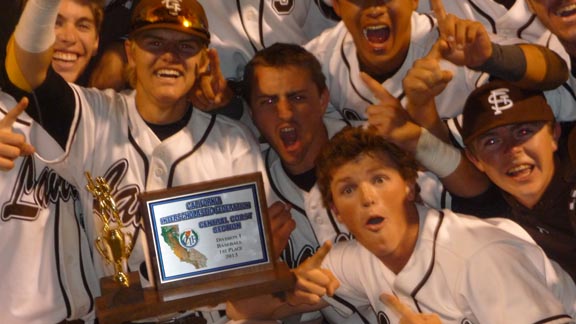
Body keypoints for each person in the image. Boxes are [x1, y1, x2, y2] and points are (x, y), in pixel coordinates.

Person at [4, 0, 291, 322]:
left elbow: (253, 268)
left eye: (186, 45)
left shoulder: (234, 143)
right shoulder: (92, 115)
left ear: (203, 60)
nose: (170, 56)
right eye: (154, 43)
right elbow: (28, 68)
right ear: (131, 53)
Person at [290, 126, 576, 323]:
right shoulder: (358, 259)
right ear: (336, 211)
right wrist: (285, 284)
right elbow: (273, 300)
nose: (367, 198)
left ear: (410, 187)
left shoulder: (481, 255)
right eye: (348, 190)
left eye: (379, 179)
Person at [0, 1, 105, 322]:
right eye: (55, 23)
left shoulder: (106, 120)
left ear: (98, 41)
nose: (68, 38)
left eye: (83, 25)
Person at [304, 0, 573, 124]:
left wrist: (491, 57)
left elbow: (555, 70)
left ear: (414, 2)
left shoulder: (449, 43)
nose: (375, 7)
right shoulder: (319, 61)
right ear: (335, 6)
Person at [452, 78, 576, 282]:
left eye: (524, 131)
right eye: (492, 141)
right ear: (475, 160)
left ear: (554, 134)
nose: (511, 149)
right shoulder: (491, 217)